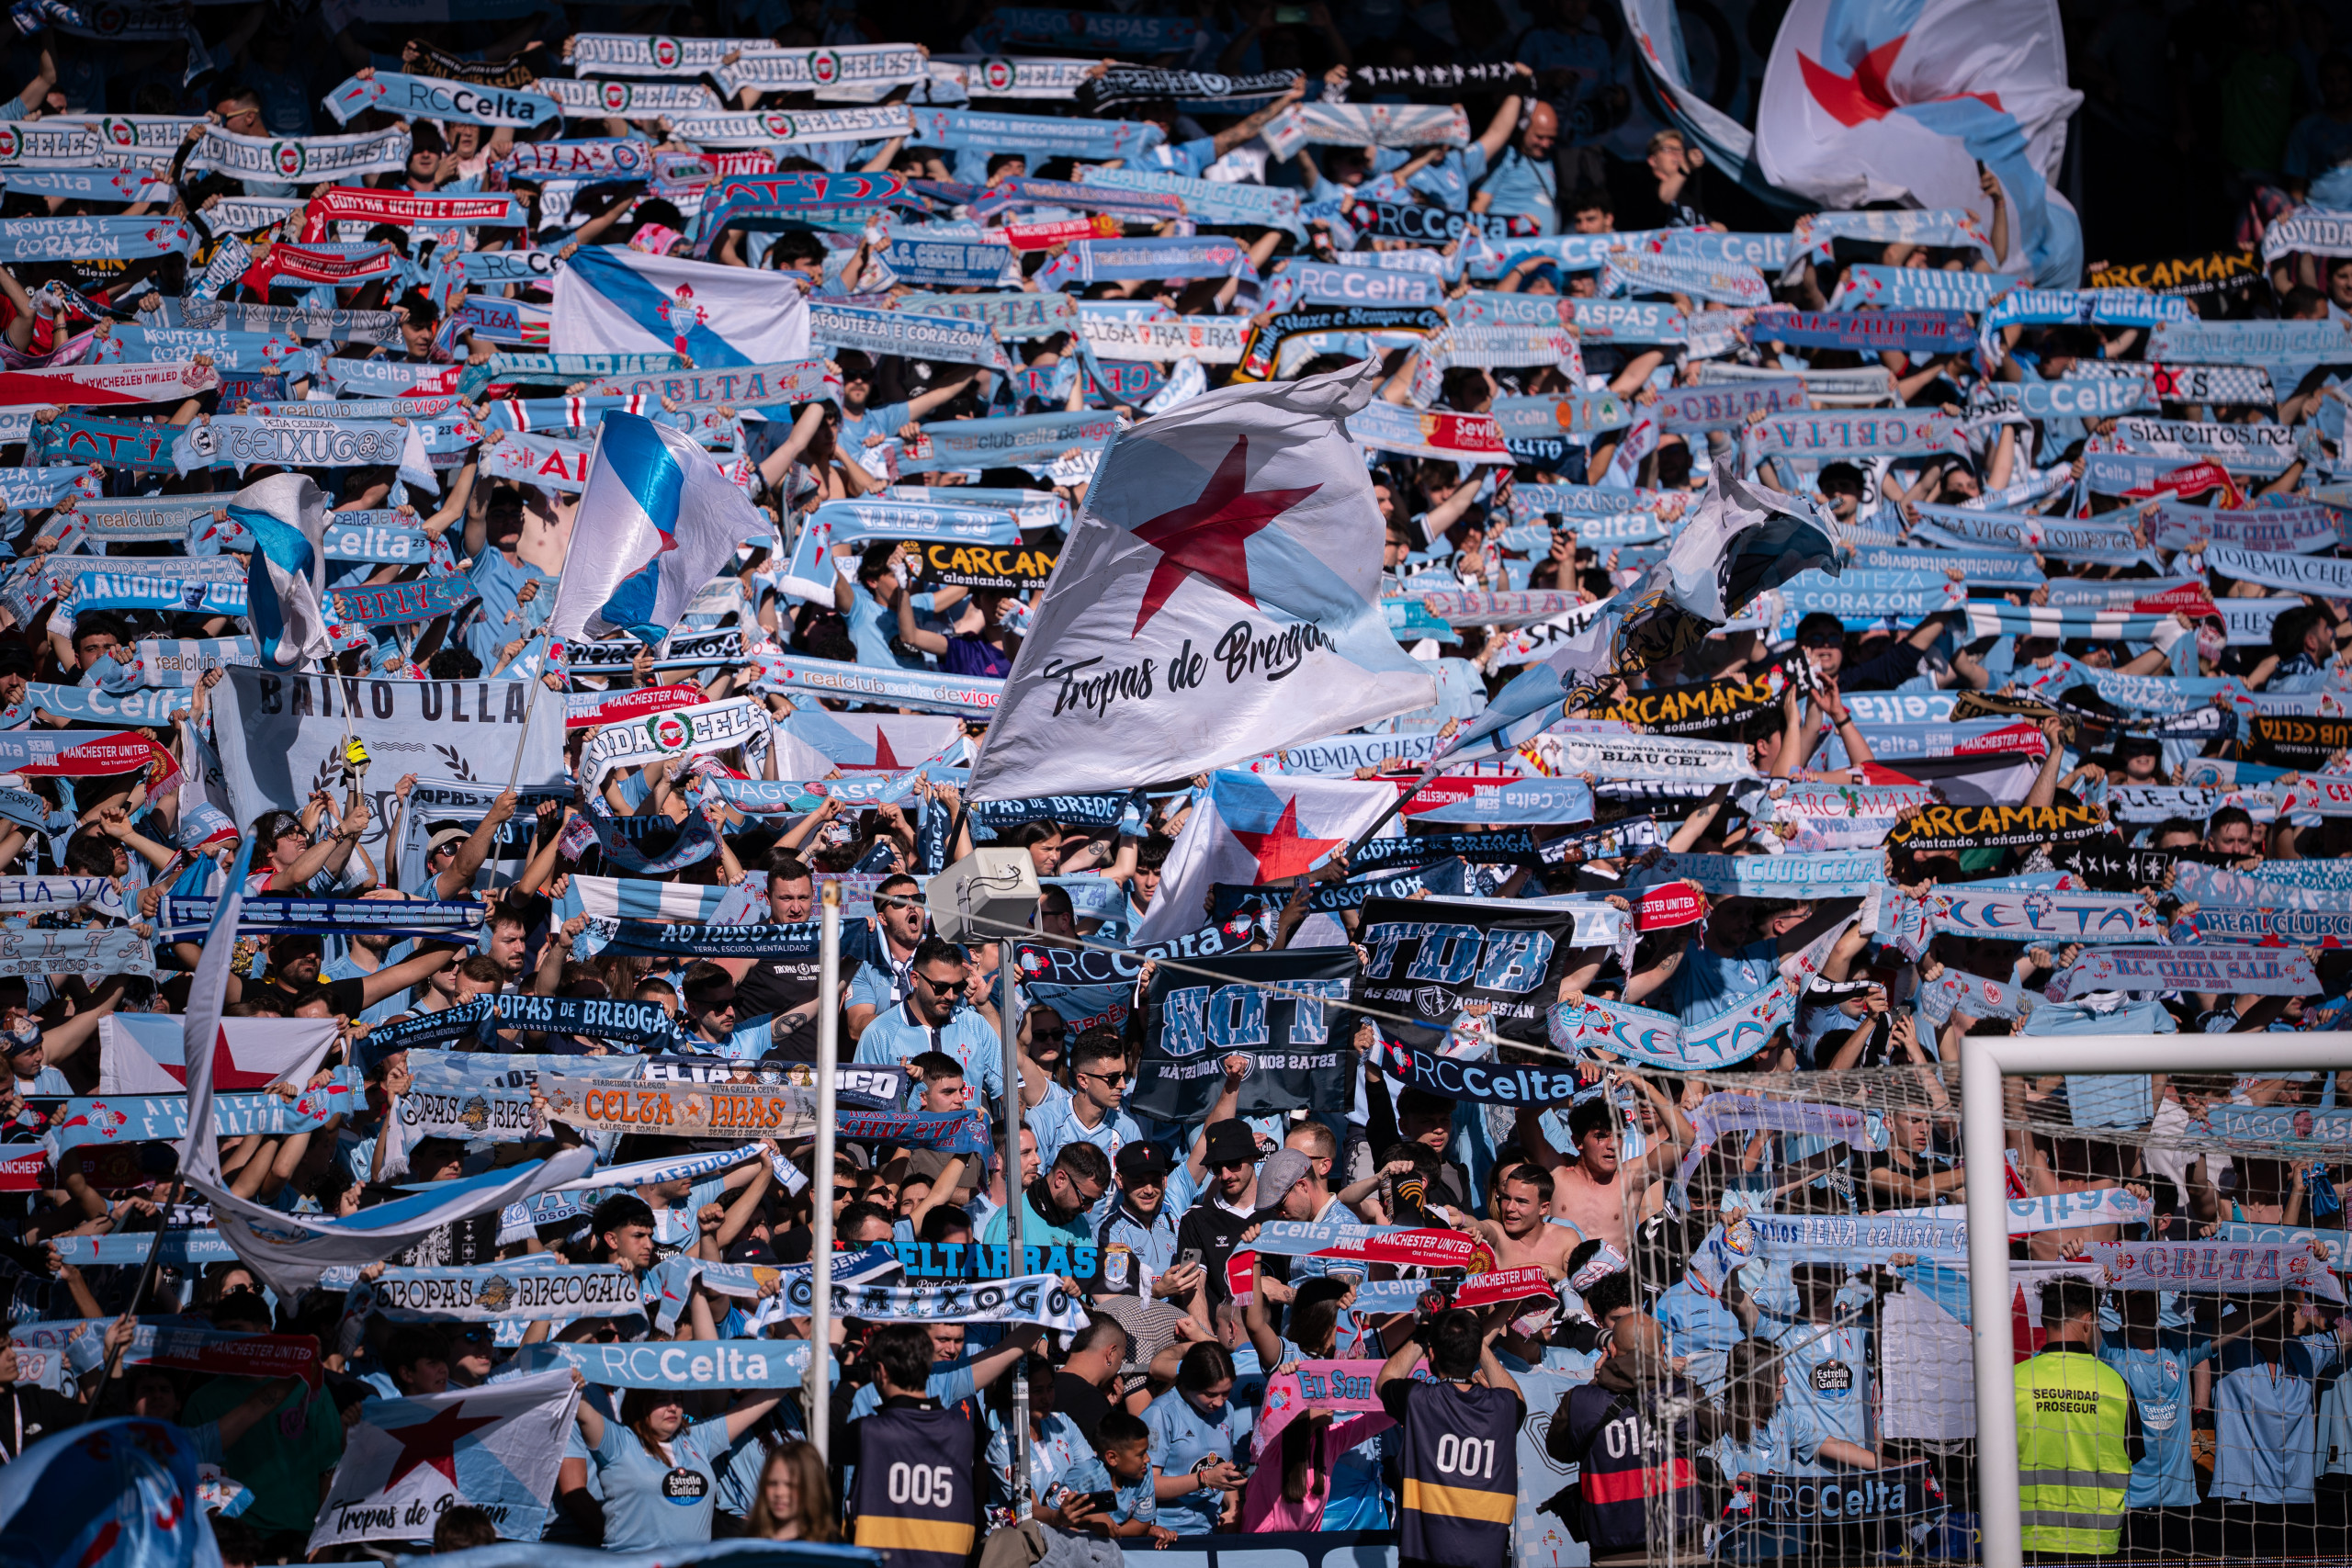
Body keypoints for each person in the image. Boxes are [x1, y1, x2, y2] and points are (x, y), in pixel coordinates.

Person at [1376, 1307, 1523, 1568]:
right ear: (1475, 1352)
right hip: (1487, 1560)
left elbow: (1385, 1381)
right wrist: (1477, 1342)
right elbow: (1518, 1399)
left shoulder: (1419, 1400)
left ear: (1432, 1354)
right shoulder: (1502, 1408)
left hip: (1423, 1559)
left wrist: (1422, 1334)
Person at [574, 1375, 792, 1550]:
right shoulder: (618, 1441)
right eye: (661, 1399)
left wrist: (794, 1368)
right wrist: (573, 1383)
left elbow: (753, 1407)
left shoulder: (697, 1438)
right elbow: (582, 1411)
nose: (673, 1407)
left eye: (677, 1399)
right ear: (640, 1403)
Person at [2015, 1277, 2142, 1555]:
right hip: (2097, 1544)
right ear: (2088, 1320)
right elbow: (2133, 1455)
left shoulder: (2013, 1382)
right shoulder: (2116, 1386)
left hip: (2024, 1542)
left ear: (2044, 1319)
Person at [846, 1324, 980, 1568]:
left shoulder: (871, 1431)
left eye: (958, 1340)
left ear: (881, 1372)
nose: (951, 1349)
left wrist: (848, 1384)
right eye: (943, 1339)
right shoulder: (960, 1430)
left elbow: (829, 1434)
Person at [746, 1439, 840, 1541]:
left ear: (811, 1487)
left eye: (790, 1485)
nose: (779, 1493)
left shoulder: (830, 1544)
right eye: (772, 1483)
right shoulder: (749, 1543)